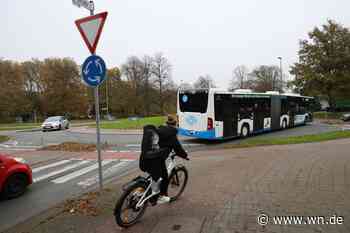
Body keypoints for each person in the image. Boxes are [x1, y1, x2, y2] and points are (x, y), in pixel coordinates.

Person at [141, 115, 188, 205]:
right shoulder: (172, 135)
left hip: (145, 158)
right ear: (175, 125)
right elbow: (178, 148)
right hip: (156, 160)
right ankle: (161, 196)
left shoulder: (158, 131)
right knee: (165, 178)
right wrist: (185, 156)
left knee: (153, 176)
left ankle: (141, 189)